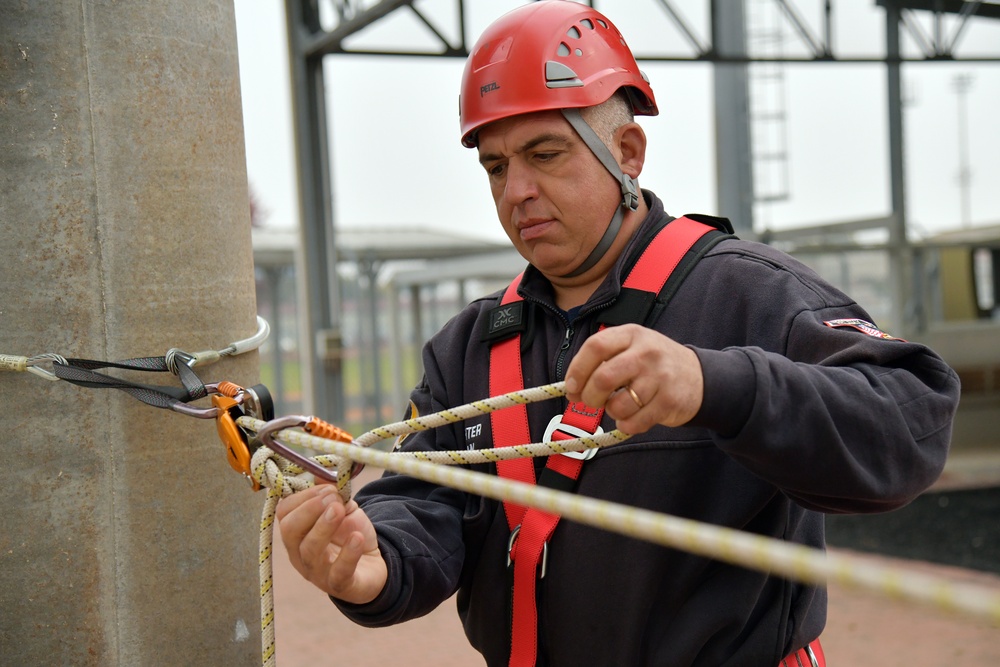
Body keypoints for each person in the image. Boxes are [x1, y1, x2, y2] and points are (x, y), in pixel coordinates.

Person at [275, 2, 960, 665]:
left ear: (626, 150)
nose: (517, 190)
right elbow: (425, 501)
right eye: (495, 166)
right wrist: (373, 561)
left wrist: (716, 384)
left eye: (545, 153)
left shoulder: (746, 294)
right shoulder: (470, 349)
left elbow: (912, 416)